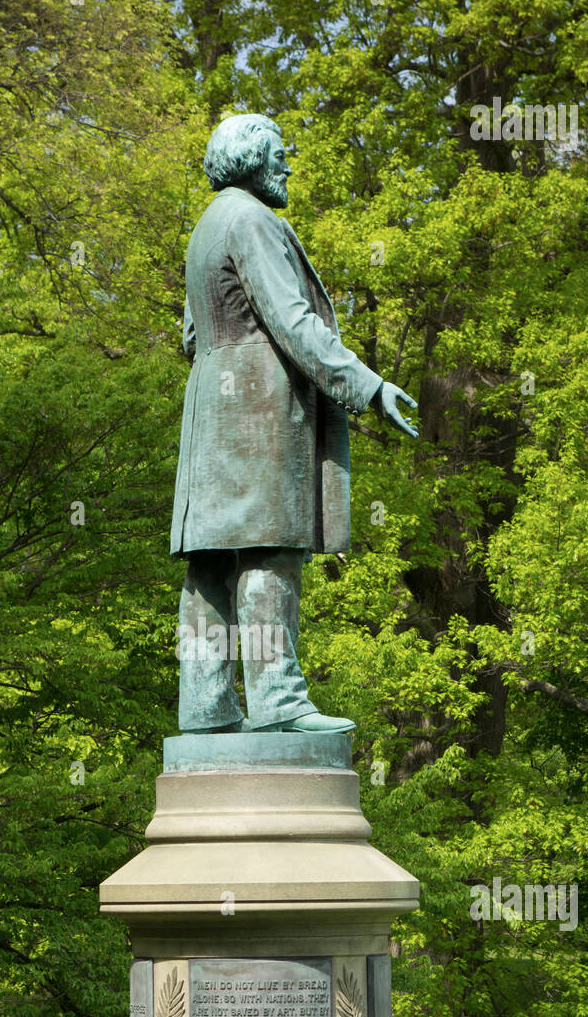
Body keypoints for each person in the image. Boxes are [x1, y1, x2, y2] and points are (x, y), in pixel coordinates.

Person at [172, 114, 418, 734]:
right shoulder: (253, 219)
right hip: (256, 407)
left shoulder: (207, 225)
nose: (288, 165)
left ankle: (204, 710)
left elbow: (192, 335)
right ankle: (279, 703)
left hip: (210, 408)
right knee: (268, 548)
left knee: (210, 561)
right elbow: (294, 322)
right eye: (279, 155)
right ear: (252, 160)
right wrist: (368, 385)